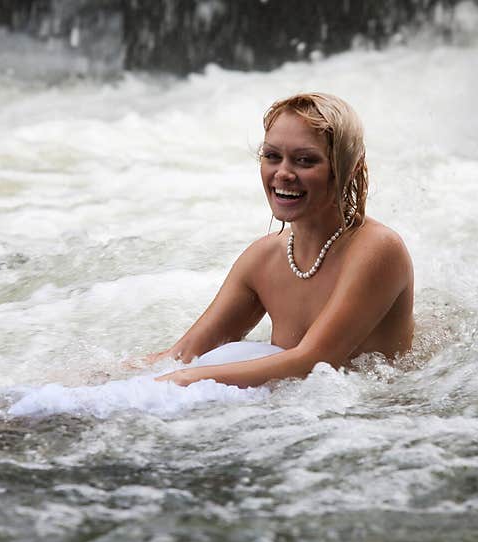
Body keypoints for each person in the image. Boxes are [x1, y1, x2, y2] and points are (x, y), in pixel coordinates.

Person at [153, 92, 414, 388]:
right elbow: (181, 356)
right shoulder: (263, 259)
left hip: (374, 418)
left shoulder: (377, 249)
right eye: (272, 156)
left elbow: (314, 362)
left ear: (348, 169)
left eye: (305, 160)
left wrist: (184, 379)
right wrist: (101, 379)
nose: (283, 173)